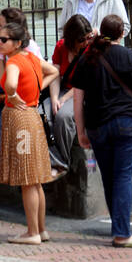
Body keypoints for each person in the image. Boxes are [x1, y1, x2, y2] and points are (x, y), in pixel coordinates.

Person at [72, 13, 132, 248]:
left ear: (100, 31)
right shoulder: (129, 56)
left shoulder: (87, 58)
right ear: (122, 33)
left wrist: (81, 131)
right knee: (123, 176)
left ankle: (118, 226)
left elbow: (77, 101)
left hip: (97, 124)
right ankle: (122, 232)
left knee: (109, 176)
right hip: (127, 122)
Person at [0, 19, 58, 245]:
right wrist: (35, 89)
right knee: (35, 179)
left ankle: (32, 232)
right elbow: (53, 71)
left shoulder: (13, 62)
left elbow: (11, 85)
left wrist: (12, 95)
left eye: (4, 40)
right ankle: (40, 230)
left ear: (17, 43)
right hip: (31, 116)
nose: (0, 43)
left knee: (27, 178)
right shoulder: (32, 58)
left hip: (19, 119)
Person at [0, 7, 42, 180]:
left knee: (7, 113)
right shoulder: (2, 47)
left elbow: (41, 74)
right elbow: (3, 80)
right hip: (7, 95)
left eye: (0, 25)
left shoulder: (30, 48)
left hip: (23, 98)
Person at [46, 14, 92, 170]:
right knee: (41, 115)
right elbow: (55, 74)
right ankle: (48, 159)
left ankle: (61, 162)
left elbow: (85, 82)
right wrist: (54, 99)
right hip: (63, 89)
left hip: (81, 91)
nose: (86, 42)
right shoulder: (61, 47)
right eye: (82, 40)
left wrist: (63, 99)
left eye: (88, 38)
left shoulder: (90, 49)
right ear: (71, 38)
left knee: (63, 117)